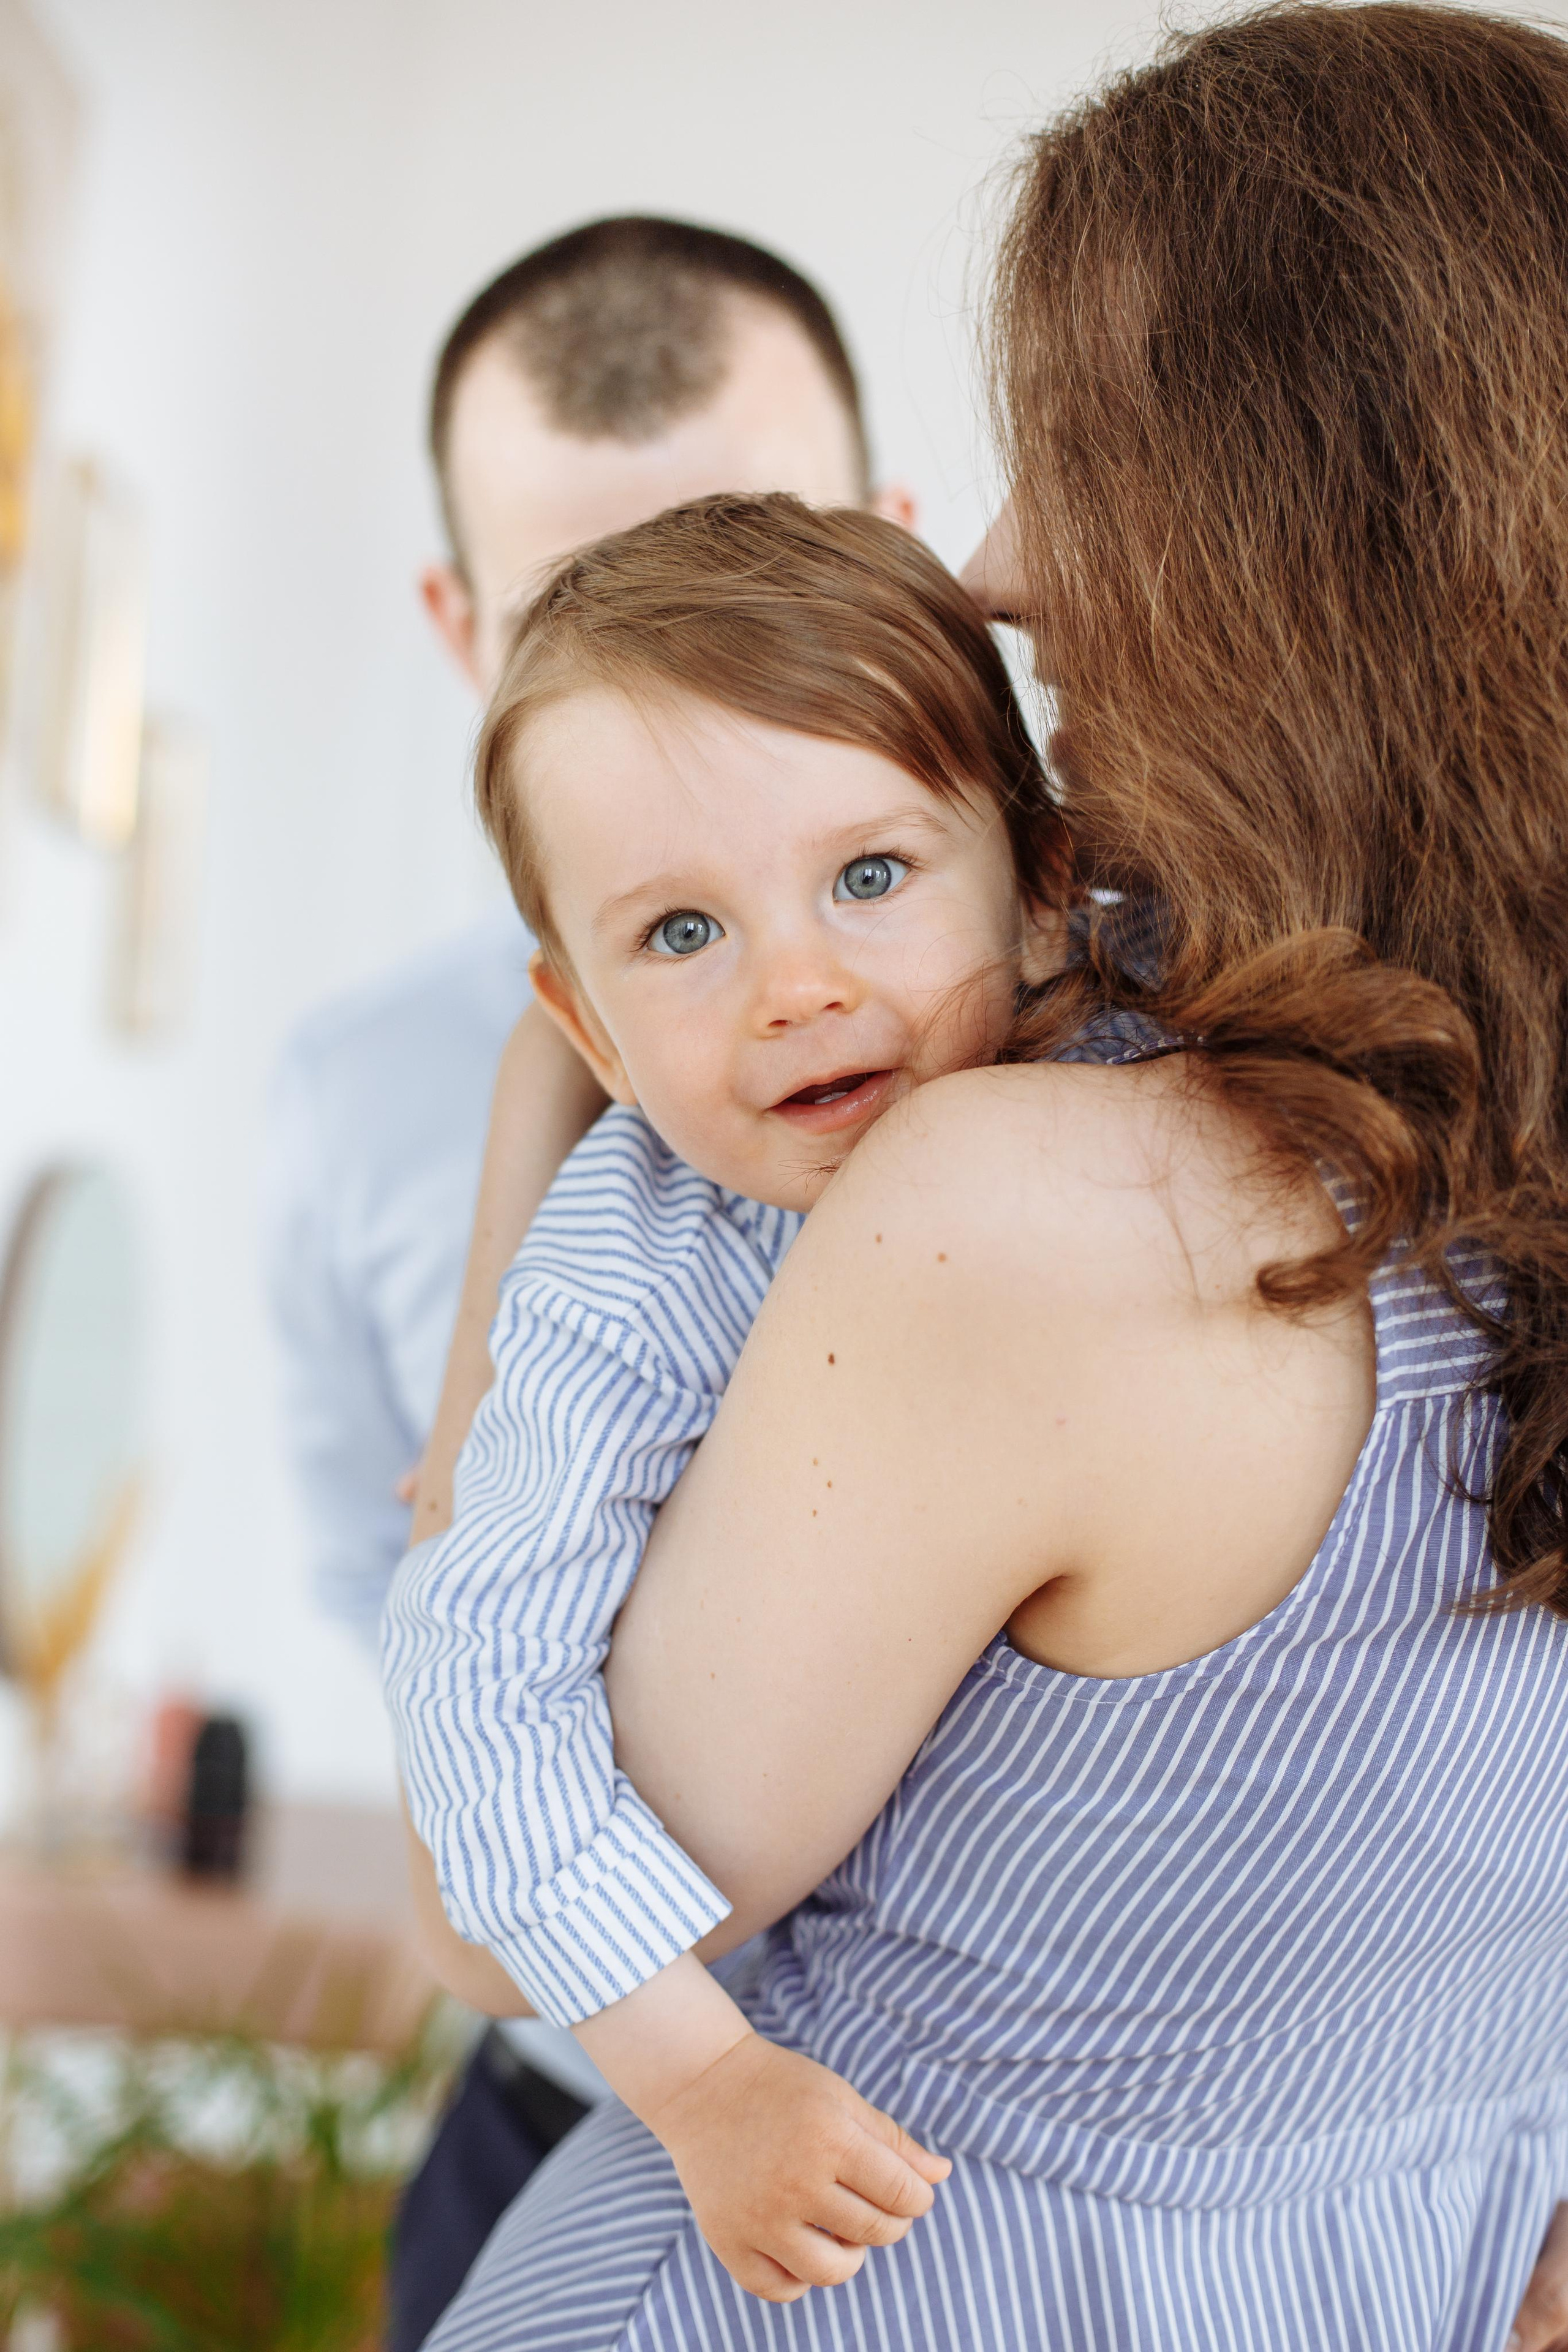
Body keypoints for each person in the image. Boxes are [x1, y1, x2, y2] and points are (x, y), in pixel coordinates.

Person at [396, 7, 1568, 2346]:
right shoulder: (1456, 1145)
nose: (1007, 566)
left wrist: (577, 1106)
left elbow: (507, 1889)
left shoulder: (1048, 1213)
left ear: (1302, 541)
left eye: (1080, 461)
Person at [261, 215, 912, 2352]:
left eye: (767, 552)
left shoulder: (1137, 991)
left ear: (901, 548)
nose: (697, 659)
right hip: (572, 2123)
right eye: (577, 599)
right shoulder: (360, 1101)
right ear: (461, 630)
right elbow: (423, 1653)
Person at [383, 491, 1079, 2297]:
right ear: (591, 1028)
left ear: (1048, 882)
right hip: (814, 2061)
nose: (796, 985)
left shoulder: (1147, 1077)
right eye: (680, 936)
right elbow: (477, 1685)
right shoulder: (632, 1272)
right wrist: (702, 2086)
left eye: (870, 877)